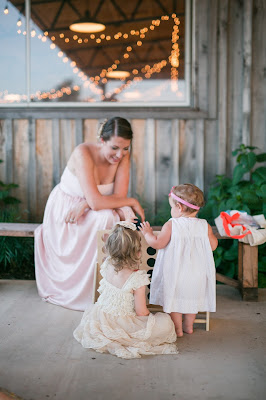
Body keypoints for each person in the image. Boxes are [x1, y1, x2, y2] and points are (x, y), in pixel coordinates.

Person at [35, 117, 145, 311]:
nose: (120, 154)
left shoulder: (122, 156)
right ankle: (89, 289)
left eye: (125, 148)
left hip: (96, 207)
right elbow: (98, 201)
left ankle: (108, 285)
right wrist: (132, 201)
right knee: (108, 216)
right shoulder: (83, 153)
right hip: (68, 211)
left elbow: (117, 196)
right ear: (101, 140)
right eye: (114, 148)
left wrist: (90, 203)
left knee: (111, 216)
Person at [73, 221, 178, 359]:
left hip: (102, 316)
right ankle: (127, 335)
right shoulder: (137, 278)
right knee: (166, 323)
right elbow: (141, 311)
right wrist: (149, 321)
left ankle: (112, 334)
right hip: (124, 323)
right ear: (137, 252)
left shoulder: (107, 265)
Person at [139, 184, 218, 337]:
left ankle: (177, 329)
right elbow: (213, 246)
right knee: (191, 300)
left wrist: (148, 234)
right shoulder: (204, 225)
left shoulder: (171, 225)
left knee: (175, 301)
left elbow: (158, 244)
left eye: (171, 207)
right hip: (197, 274)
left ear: (179, 207)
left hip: (177, 272)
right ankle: (189, 326)